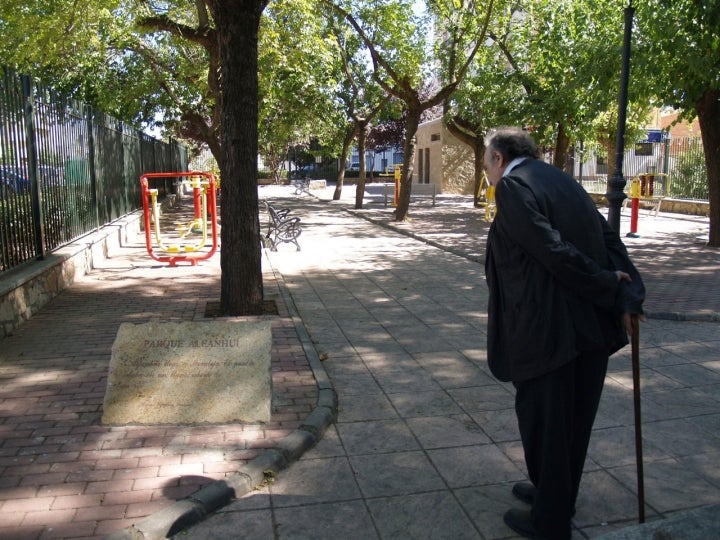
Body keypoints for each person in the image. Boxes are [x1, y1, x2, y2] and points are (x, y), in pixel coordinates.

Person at [483, 127, 645, 539]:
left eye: (486, 162)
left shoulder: (513, 188)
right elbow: (611, 240)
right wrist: (628, 294)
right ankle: (554, 496)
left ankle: (550, 523)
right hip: (585, 329)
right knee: (570, 424)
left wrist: (610, 285)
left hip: (548, 332)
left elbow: (552, 250)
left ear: (499, 158)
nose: (485, 171)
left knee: (547, 424)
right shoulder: (560, 179)